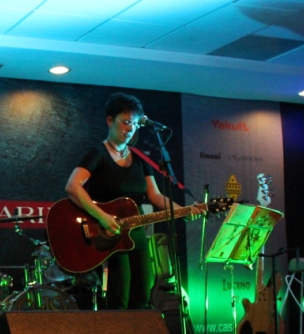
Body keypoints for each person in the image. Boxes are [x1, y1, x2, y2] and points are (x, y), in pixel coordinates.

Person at [64, 92, 204, 310]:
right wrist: (102, 216)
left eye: (135, 124)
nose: (130, 128)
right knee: (119, 292)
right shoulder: (97, 154)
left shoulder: (140, 158)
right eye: (126, 122)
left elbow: (155, 195)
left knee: (143, 291)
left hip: (135, 230)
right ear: (110, 121)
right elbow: (72, 187)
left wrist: (182, 211)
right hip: (108, 231)